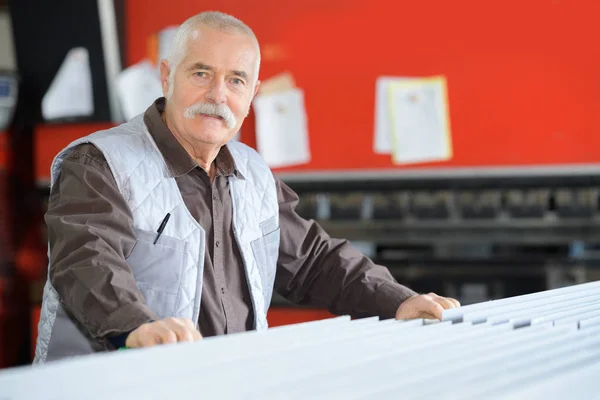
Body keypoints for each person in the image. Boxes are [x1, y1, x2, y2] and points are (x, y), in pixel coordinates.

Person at [34, 11, 459, 363]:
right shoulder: (98, 161)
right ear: (167, 76)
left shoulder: (253, 173)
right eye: (201, 73)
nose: (218, 94)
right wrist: (135, 326)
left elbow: (313, 261)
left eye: (236, 80)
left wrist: (396, 300)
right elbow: (86, 259)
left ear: (252, 92)